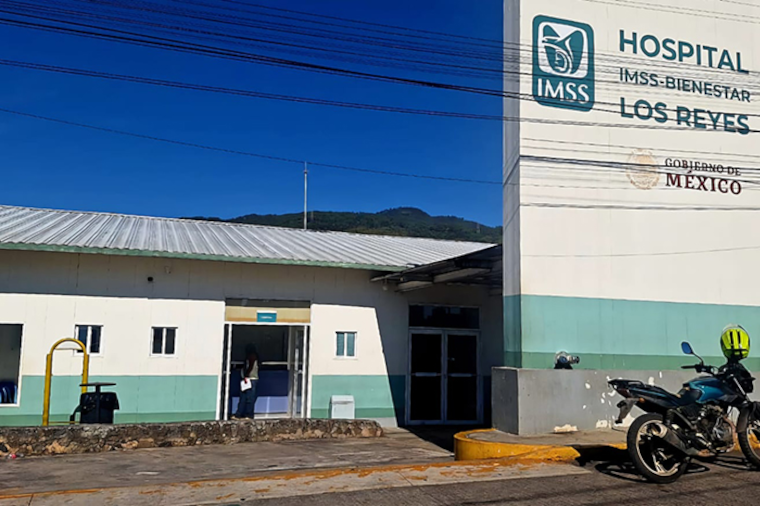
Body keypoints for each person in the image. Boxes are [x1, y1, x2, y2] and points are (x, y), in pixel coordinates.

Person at [233, 347, 259, 420]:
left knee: (249, 398)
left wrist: (246, 374)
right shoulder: (249, 357)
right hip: (247, 379)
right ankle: (239, 414)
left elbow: (250, 366)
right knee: (243, 398)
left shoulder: (252, 356)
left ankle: (249, 414)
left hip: (251, 379)